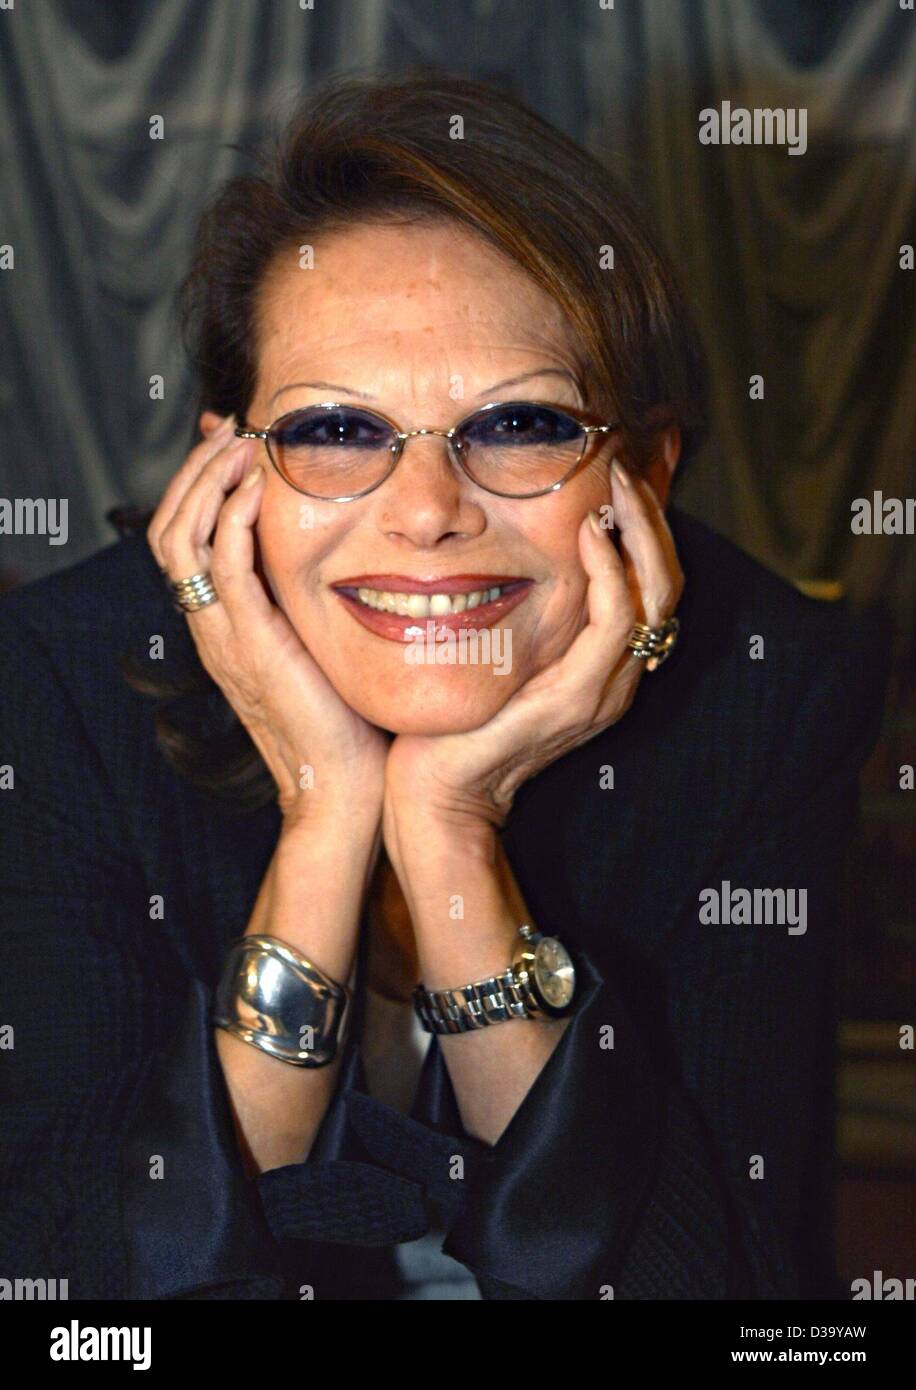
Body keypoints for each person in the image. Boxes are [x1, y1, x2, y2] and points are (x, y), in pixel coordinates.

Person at [0, 72, 886, 1301]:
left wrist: (450, 835)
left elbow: (730, 1298)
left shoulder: (764, 690)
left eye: (519, 424)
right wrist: (326, 819)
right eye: (338, 430)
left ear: (644, 471)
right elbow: (76, 1300)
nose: (426, 515)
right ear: (223, 472)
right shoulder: (55, 682)